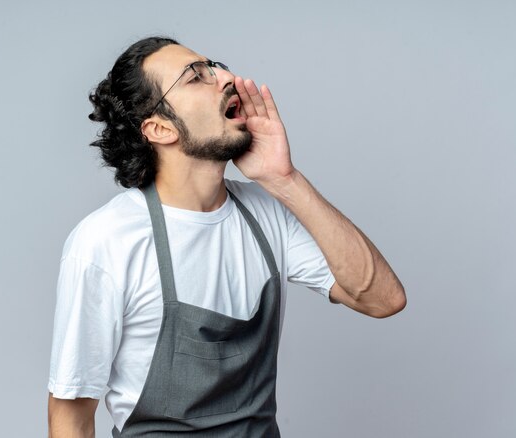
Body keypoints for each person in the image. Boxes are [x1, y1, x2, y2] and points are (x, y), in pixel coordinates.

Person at [47, 36, 406, 437]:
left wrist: (284, 179)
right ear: (159, 127)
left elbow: (382, 299)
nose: (227, 78)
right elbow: (71, 416)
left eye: (214, 66)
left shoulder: (266, 210)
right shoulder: (106, 241)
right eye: (196, 77)